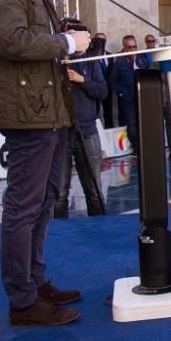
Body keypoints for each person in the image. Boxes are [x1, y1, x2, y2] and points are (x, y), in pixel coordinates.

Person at [0, 0, 90, 326]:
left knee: (46, 199)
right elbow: (11, 41)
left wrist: (63, 39)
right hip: (27, 110)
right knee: (24, 205)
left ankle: (35, 281)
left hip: (47, 107)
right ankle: (23, 300)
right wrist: (66, 44)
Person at [55, 49, 107, 219]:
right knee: (59, 191)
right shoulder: (54, 60)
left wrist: (82, 80)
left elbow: (102, 91)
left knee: (93, 188)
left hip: (87, 130)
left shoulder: (90, 60)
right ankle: (59, 233)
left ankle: (100, 230)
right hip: (61, 133)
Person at [109, 35, 150, 151]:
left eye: (134, 47)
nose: (132, 49)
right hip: (128, 98)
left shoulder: (142, 60)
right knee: (131, 124)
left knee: (144, 122)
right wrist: (121, 93)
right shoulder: (119, 62)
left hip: (142, 97)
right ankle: (137, 147)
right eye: (129, 47)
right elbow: (113, 81)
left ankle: (146, 145)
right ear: (124, 47)